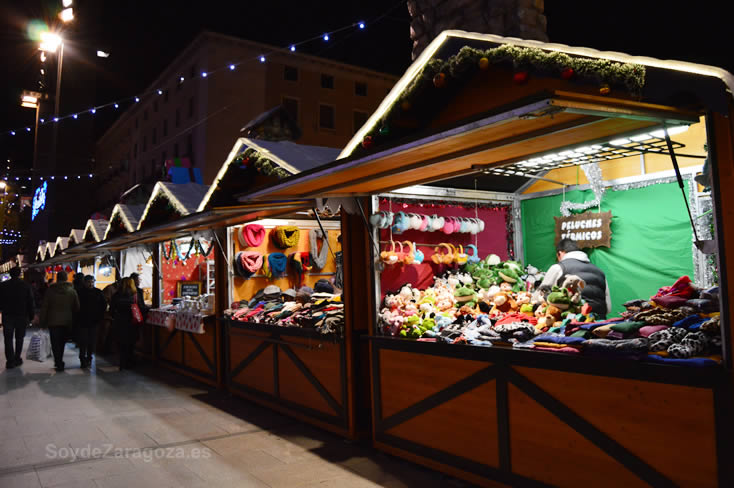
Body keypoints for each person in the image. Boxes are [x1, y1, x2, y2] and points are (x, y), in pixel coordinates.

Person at [538, 238, 612, 319]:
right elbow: (608, 308)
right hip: (599, 326)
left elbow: (540, 296)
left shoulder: (558, 267)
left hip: (569, 325)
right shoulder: (600, 272)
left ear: (560, 253)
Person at [40, 271, 80, 371]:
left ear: (57, 278)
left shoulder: (50, 291)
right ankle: (59, 360)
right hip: (67, 321)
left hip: (53, 321)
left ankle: (58, 361)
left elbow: (45, 307)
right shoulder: (72, 291)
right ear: (66, 278)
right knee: (62, 342)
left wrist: (43, 321)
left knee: (55, 343)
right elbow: (77, 307)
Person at [0, 267, 35, 369]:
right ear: (19, 274)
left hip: (7, 315)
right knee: (19, 338)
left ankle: (10, 361)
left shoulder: (3, 286)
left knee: (8, 339)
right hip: (21, 315)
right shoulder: (25, 286)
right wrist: (31, 315)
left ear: (10, 274)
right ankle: (17, 358)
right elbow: (30, 302)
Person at [77, 275, 107, 368]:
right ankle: (82, 359)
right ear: (84, 283)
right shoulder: (79, 292)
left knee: (91, 341)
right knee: (83, 341)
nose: (91, 284)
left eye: (92, 282)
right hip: (82, 320)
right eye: (89, 282)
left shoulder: (98, 292)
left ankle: (89, 358)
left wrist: (100, 315)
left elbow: (104, 305)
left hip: (94, 320)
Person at [110, 277, 139, 370]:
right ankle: (129, 362)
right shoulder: (134, 295)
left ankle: (122, 363)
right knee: (131, 343)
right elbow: (140, 307)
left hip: (119, 321)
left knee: (121, 344)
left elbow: (111, 310)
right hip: (132, 322)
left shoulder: (116, 295)